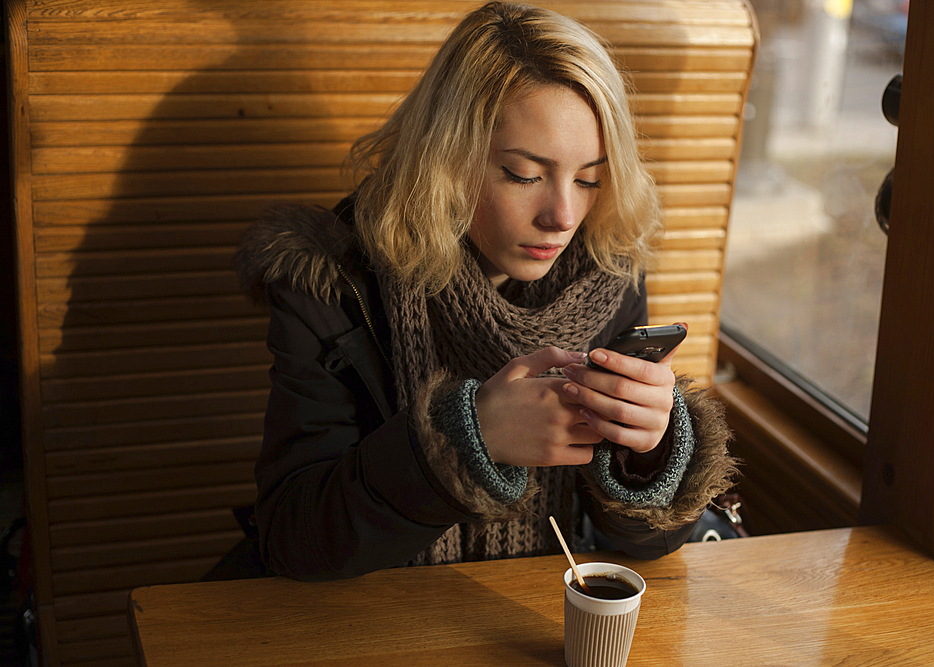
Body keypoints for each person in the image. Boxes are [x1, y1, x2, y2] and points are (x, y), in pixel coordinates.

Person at [234, 1, 736, 581]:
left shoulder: (604, 272)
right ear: (445, 160)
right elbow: (295, 539)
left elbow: (640, 550)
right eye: (524, 175)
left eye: (590, 178)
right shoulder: (330, 283)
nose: (563, 215)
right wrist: (468, 439)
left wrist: (647, 451)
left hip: (529, 614)